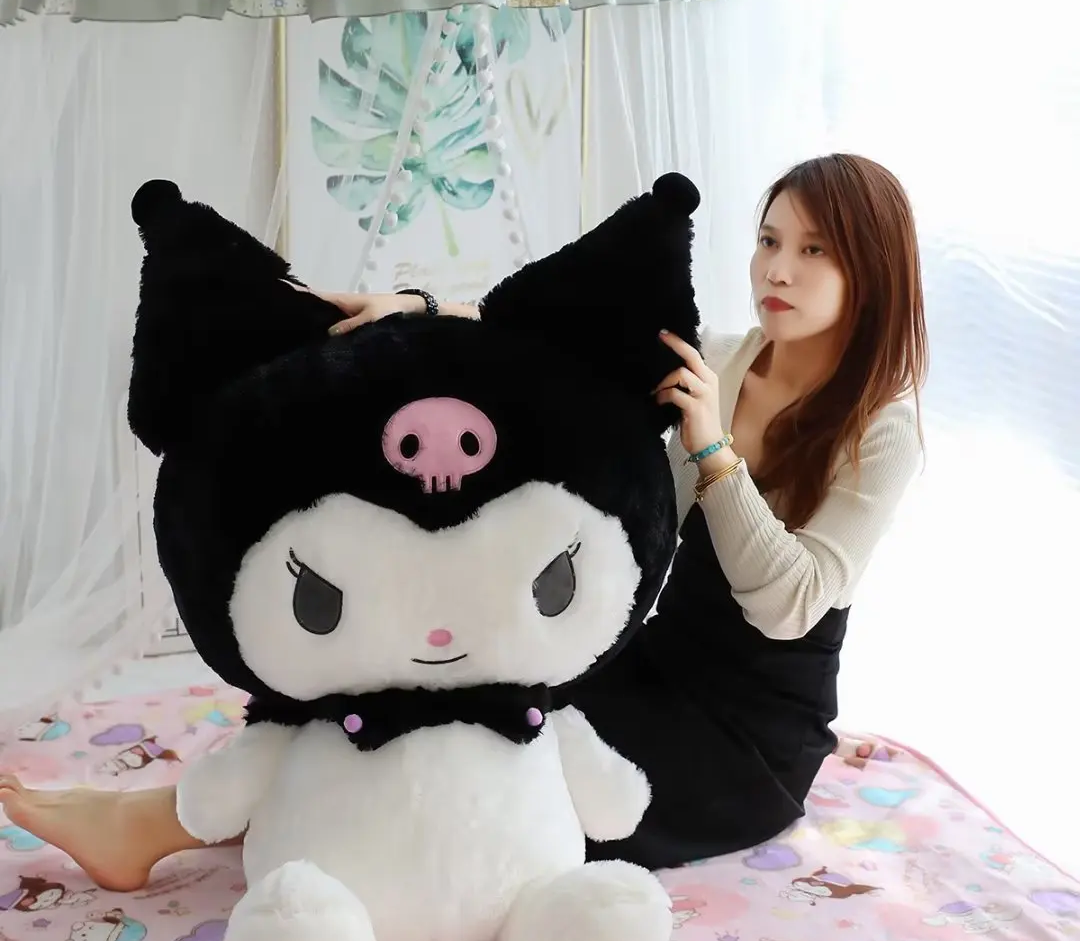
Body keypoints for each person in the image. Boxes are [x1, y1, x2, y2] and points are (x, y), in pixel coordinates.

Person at [0, 153, 926, 886]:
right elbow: (551, 344)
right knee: (423, 693)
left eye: (815, 251)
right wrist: (419, 307)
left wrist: (716, 452)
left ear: (872, 272)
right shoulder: (718, 357)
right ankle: (165, 817)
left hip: (748, 739)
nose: (778, 269)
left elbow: (788, 606)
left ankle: (154, 828)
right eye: (770, 239)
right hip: (645, 665)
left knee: (482, 761)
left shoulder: (882, 430)